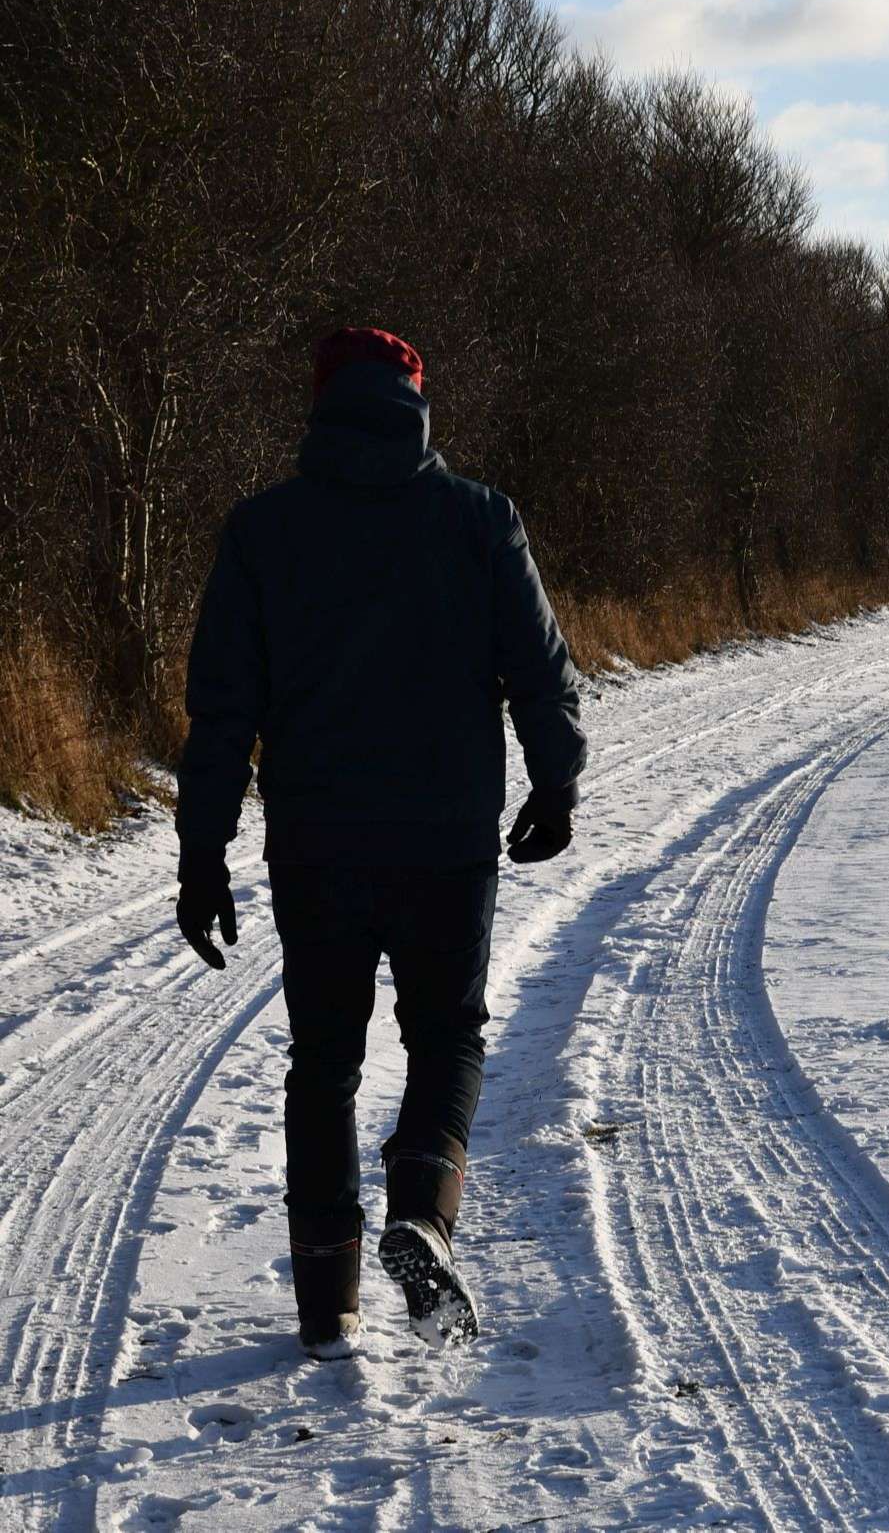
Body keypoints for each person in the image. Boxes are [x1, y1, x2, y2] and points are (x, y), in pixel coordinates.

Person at [174, 328, 586, 1360]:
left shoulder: (263, 530)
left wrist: (203, 855)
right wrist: (555, 781)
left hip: (316, 843)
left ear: (319, 406)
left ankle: (327, 1308)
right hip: (446, 837)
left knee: (323, 1062)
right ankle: (421, 1213)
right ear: (416, 404)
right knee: (446, 1035)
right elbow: (540, 670)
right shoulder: (480, 519)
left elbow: (223, 714)